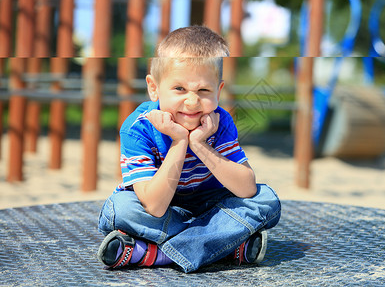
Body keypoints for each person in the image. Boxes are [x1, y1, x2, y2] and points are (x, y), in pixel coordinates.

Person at [97, 26, 281, 273]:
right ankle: (221, 244)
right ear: (154, 88)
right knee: (121, 209)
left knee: (266, 199)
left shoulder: (220, 121)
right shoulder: (137, 127)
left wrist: (199, 144)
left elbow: (247, 188)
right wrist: (180, 142)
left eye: (204, 90)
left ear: (219, 90)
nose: (192, 102)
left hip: (209, 203)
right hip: (164, 208)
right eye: (179, 89)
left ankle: (155, 254)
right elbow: (154, 206)